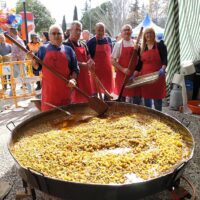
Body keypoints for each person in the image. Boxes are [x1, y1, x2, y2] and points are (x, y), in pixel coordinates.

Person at [33, 24, 79, 111]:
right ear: (49, 36)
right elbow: (37, 68)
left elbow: (75, 69)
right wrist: (33, 61)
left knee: (68, 119)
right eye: (53, 33)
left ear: (63, 35)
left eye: (59, 33)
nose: (56, 36)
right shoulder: (42, 49)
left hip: (65, 92)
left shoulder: (69, 50)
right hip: (49, 94)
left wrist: (73, 79)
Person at [136, 27, 167, 111]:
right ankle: (149, 114)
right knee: (147, 99)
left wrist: (163, 69)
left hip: (157, 76)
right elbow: (139, 64)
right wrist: (134, 74)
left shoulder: (160, 45)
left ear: (154, 35)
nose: (148, 35)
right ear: (144, 36)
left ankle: (159, 115)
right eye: (147, 33)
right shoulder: (141, 48)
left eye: (151, 33)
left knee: (157, 98)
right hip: (145, 77)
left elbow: (165, 59)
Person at [63, 21, 93, 103]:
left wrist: (91, 62)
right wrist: (84, 65)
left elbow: (89, 58)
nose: (78, 32)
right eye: (76, 29)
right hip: (74, 78)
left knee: (87, 102)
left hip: (86, 78)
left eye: (80, 30)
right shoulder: (65, 45)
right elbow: (67, 63)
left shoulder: (83, 44)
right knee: (75, 104)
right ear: (70, 30)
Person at [111, 24, 141, 104]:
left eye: (128, 30)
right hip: (122, 76)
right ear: (121, 33)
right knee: (122, 99)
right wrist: (123, 69)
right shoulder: (118, 44)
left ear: (131, 32)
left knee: (135, 99)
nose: (127, 31)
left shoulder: (136, 44)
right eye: (125, 30)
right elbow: (112, 61)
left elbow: (140, 59)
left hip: (134, 76)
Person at [87, 22, 114, 100]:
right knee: (95, 92)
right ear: (95, 30)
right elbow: (88, 57)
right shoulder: (91, 42)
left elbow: (110, 53)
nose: (100, 32)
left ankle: (107, 106)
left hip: (107, 71)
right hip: (96, 71)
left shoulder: (108, 40)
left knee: (107, 92)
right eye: (99, 30)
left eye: (102, 30)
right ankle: (96, 107)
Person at [9, 27, 31, 95]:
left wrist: (17, 57)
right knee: (13, 77)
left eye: (9, 32)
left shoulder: (18, 40)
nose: (9, 34)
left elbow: (24, 51)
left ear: (12, 33)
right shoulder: (15, 40)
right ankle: (11, 93)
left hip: (19, 62)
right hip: (15, 62)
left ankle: (30, 91)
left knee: (24, 77)